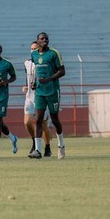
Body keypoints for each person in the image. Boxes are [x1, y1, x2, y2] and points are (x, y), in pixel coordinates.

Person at [29, 32, 66, 160]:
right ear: (37, 41)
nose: (45, 40)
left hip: (52, 91)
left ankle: (61, 145)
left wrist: (49, 79)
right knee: (38, 119)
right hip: (39, 92)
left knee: (55, 119)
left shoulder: (53, 53)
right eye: (42, 39)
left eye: (46, 38)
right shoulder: (33, 54)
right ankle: (38, 150)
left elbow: (62, 71)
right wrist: (34, 82)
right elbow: (36, 70)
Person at [23, 41, 53, 156]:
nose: (32, 50)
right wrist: (26, 85)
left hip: (41, 96)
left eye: (35, 48)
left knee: (43, 124)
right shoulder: (27, 63)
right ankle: (34, 142)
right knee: (27, 122)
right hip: (29, 97)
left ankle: (47, 146)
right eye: (31, 48)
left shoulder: (44, 62)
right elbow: (28, 76)